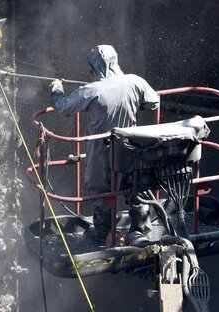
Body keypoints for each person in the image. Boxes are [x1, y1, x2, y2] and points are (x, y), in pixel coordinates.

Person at [50, 45, 160, 244]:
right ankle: (142, 229)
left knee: (101, 191)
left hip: (101, 152)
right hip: (131, 150)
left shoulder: (91, 91)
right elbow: (154, 103)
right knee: (136, 186)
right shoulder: (135, 81)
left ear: (94, 67)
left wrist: (56, 89)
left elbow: (63, 107)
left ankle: (103, 232)